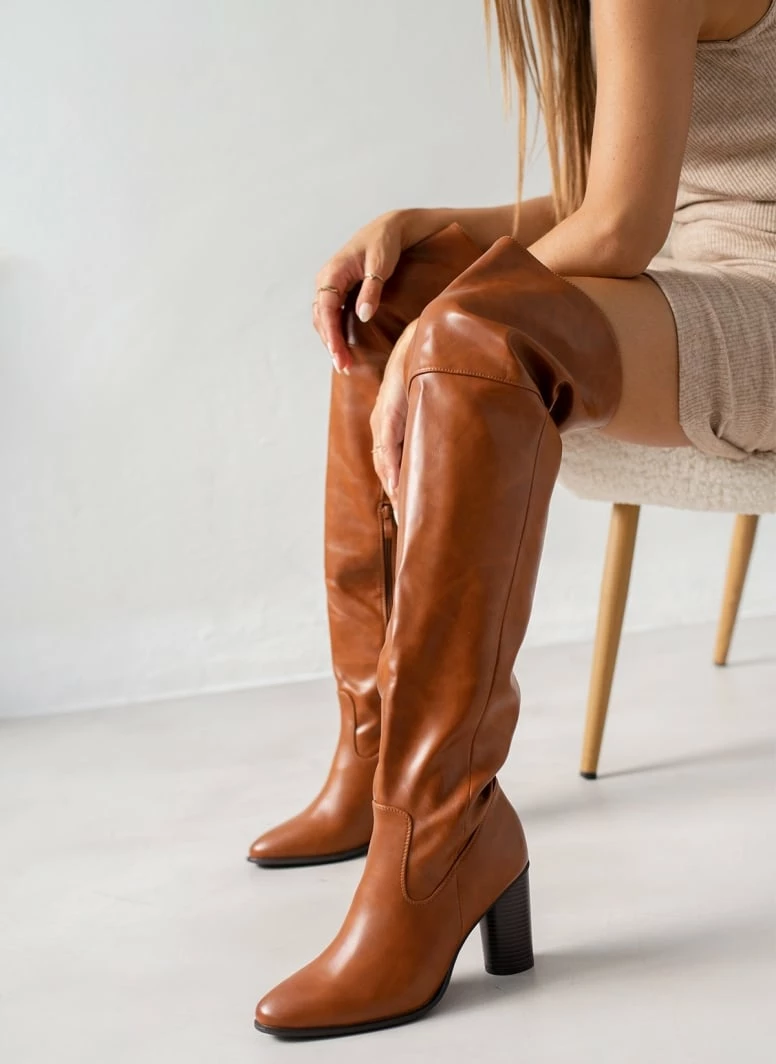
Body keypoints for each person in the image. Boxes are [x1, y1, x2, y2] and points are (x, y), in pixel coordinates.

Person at [251, 0, 776, 1038]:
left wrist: (449, 320)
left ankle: (437, 839)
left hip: (757, 309)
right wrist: (431, 227)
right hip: (694, 277)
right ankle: (375, 749)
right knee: (390, 294)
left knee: (465, 335)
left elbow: (618, 229)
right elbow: (617, 190)